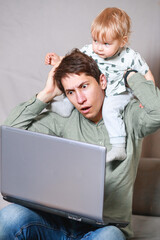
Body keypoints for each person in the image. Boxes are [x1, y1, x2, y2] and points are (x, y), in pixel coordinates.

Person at [0, 49, 160, 240]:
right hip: (56, 223)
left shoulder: (129, 116)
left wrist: (130, 75)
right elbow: (10, 134)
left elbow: (157, 113)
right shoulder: (64, 118)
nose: (80, 99)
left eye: (84, 86)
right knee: (9, 217)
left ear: (102, 81)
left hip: (104, 229)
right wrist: (47, 94)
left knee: (109, 237)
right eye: (70, 92)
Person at [45, 7, 155, 162]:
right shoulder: (91, 51)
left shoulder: (130, 56)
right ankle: (65, 106)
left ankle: (118, 147)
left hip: (119, 93)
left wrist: (146, 97)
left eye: (106, 43)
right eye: (95, 40)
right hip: (100, 91)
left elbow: (147, 74)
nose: (98, 47)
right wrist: (58, 60)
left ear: (122, 41)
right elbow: (73, 61)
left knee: (109, 111)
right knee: (77, 86)